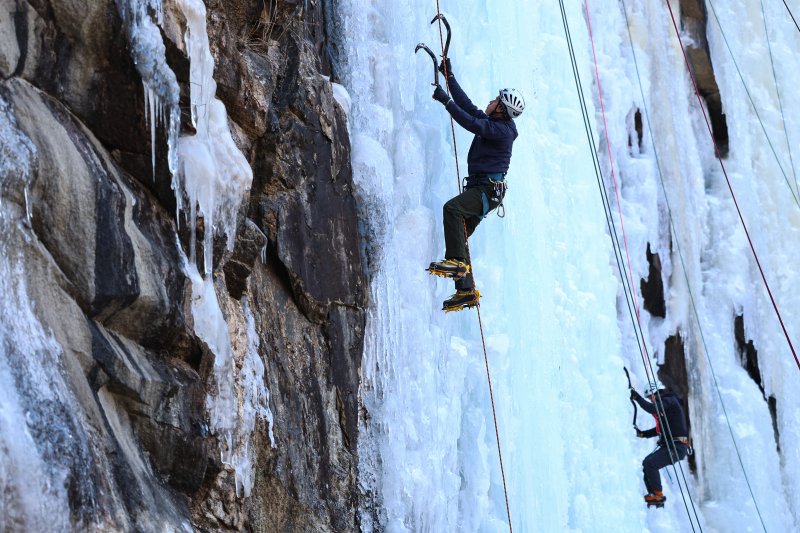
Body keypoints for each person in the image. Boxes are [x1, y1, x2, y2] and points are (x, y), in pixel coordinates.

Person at [426, 57, 525, 312]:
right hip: (484, 191)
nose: (490, 102)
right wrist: (450, 78)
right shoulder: (496, 123)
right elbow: (469, 108)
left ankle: (457, 263)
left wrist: (445, 101)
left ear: (501, 109)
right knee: (460, 232)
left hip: (486, 191)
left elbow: (472, 123)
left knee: (452, 210)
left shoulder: (503, 131)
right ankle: (465, 290)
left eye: (495, 100)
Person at [630, 381, 691, 506]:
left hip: (677, 446)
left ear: (655, 392)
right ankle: (654, 495)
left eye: (650, 397)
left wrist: (637, 398)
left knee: (650, 464)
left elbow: (652, 408)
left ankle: (658, 495)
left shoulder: (669, 400)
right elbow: (660, 429)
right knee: (647, 463)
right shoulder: (666, 408)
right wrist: (643, 434)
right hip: (674, 445)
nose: (651, 400)